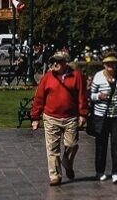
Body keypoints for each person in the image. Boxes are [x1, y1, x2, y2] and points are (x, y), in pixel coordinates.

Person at [30, 49, 88, 186]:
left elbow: (82, 96)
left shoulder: (76, 76)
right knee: (52, 148)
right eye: (53, 61)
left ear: (65, 62)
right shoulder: (47, 78)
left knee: (72, 145)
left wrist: (83, 114)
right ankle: (55, 175)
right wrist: (35, 117)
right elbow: (39, 98)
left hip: (70, 118)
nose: (55, 64)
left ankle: (67, 163)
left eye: (58, 61)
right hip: (51, 117)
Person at [89, 52, 117, 183]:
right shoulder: (98, 77)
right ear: (104, 65)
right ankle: (100, 171)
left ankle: (115, 171)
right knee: (101, 144)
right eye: (108, 64)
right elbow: (91, 95)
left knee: (116, 143)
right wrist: (99, 96)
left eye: (113, 64)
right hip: (101, 115)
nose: (111, 66)